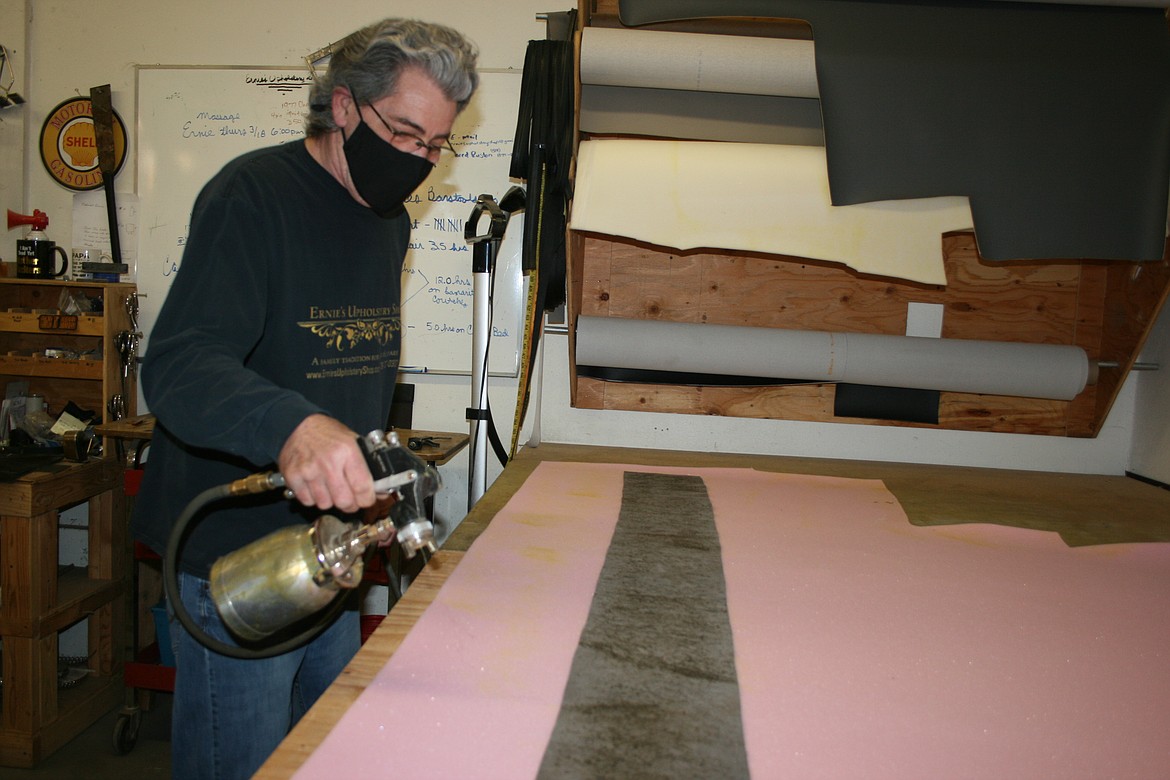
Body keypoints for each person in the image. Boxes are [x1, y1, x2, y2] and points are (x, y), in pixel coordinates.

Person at [130, 18, 478, 779]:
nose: (418, 161)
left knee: (324, 755)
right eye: (406, 134)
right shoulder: (252, 195)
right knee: (244, 764)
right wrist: (293, 428)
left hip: (333, 549)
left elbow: (349, 365)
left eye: (434, 145)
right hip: (240, 553)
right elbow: (183, 362)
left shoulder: (387, 223)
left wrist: (373, 478)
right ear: (345, 107)